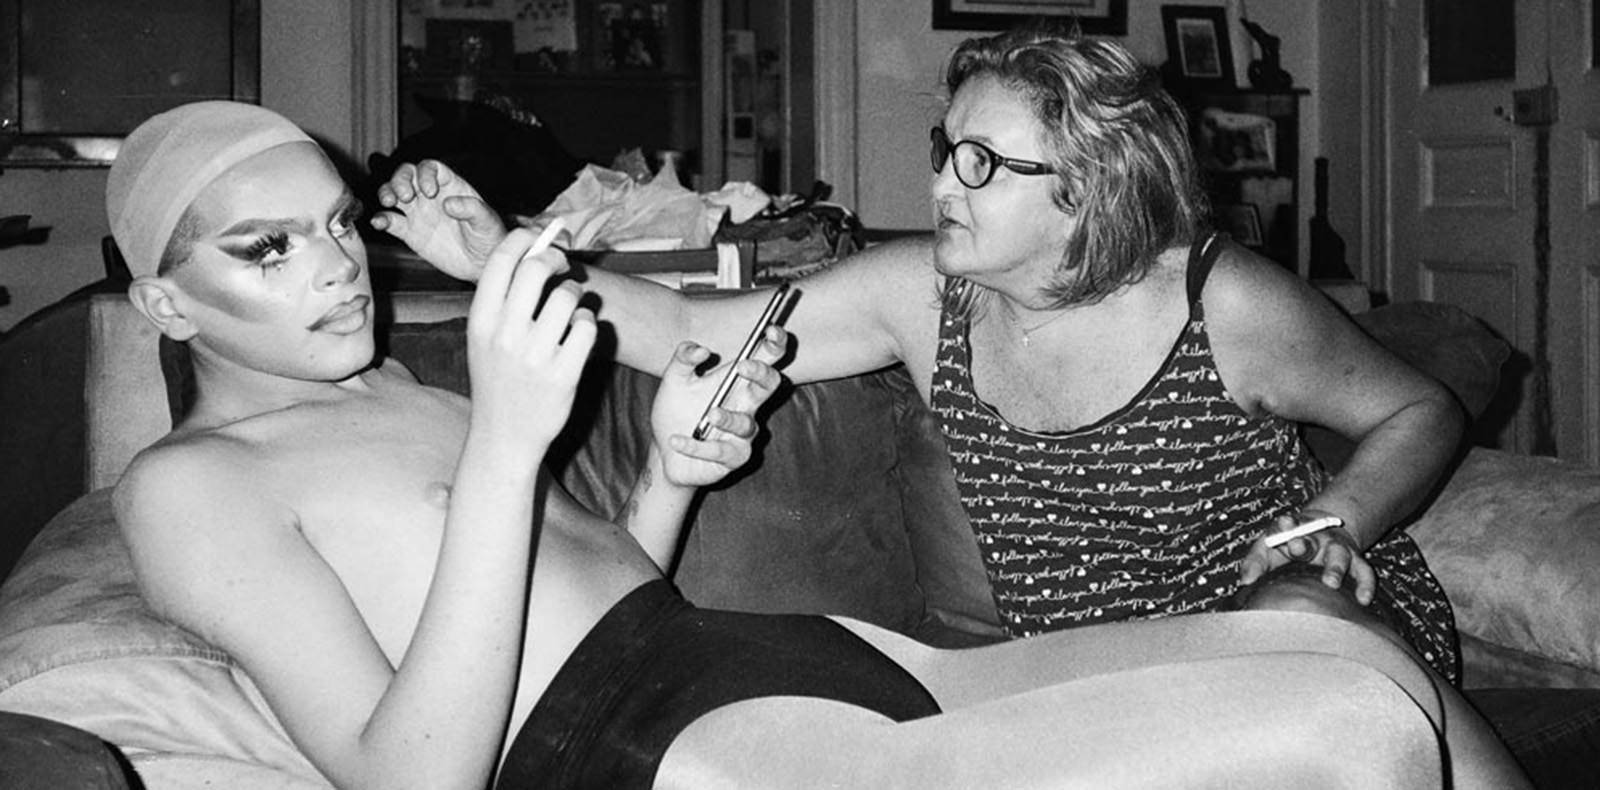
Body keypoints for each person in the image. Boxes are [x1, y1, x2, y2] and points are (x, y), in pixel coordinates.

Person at [108, 100, 1469, 790]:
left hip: (772, 655)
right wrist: (507, 448)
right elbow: (416, 773)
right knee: (1354, 735)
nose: (336, 267)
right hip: (677, 737)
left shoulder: (392, 394)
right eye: (268, 249)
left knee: (1353, 659)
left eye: (338, 226)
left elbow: (585, 591)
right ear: (165, 304)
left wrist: (666, 480)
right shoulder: (190, 485)